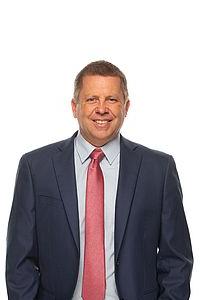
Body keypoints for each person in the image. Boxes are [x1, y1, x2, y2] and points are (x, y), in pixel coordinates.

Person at [6, 60, 193, 300]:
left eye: (112, 100)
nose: (102, 108)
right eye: (92, 99)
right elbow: (19, 260)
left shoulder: (158, 170)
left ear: (126, 107)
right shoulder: (35, 167)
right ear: (75, 107)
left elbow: (176, 259)